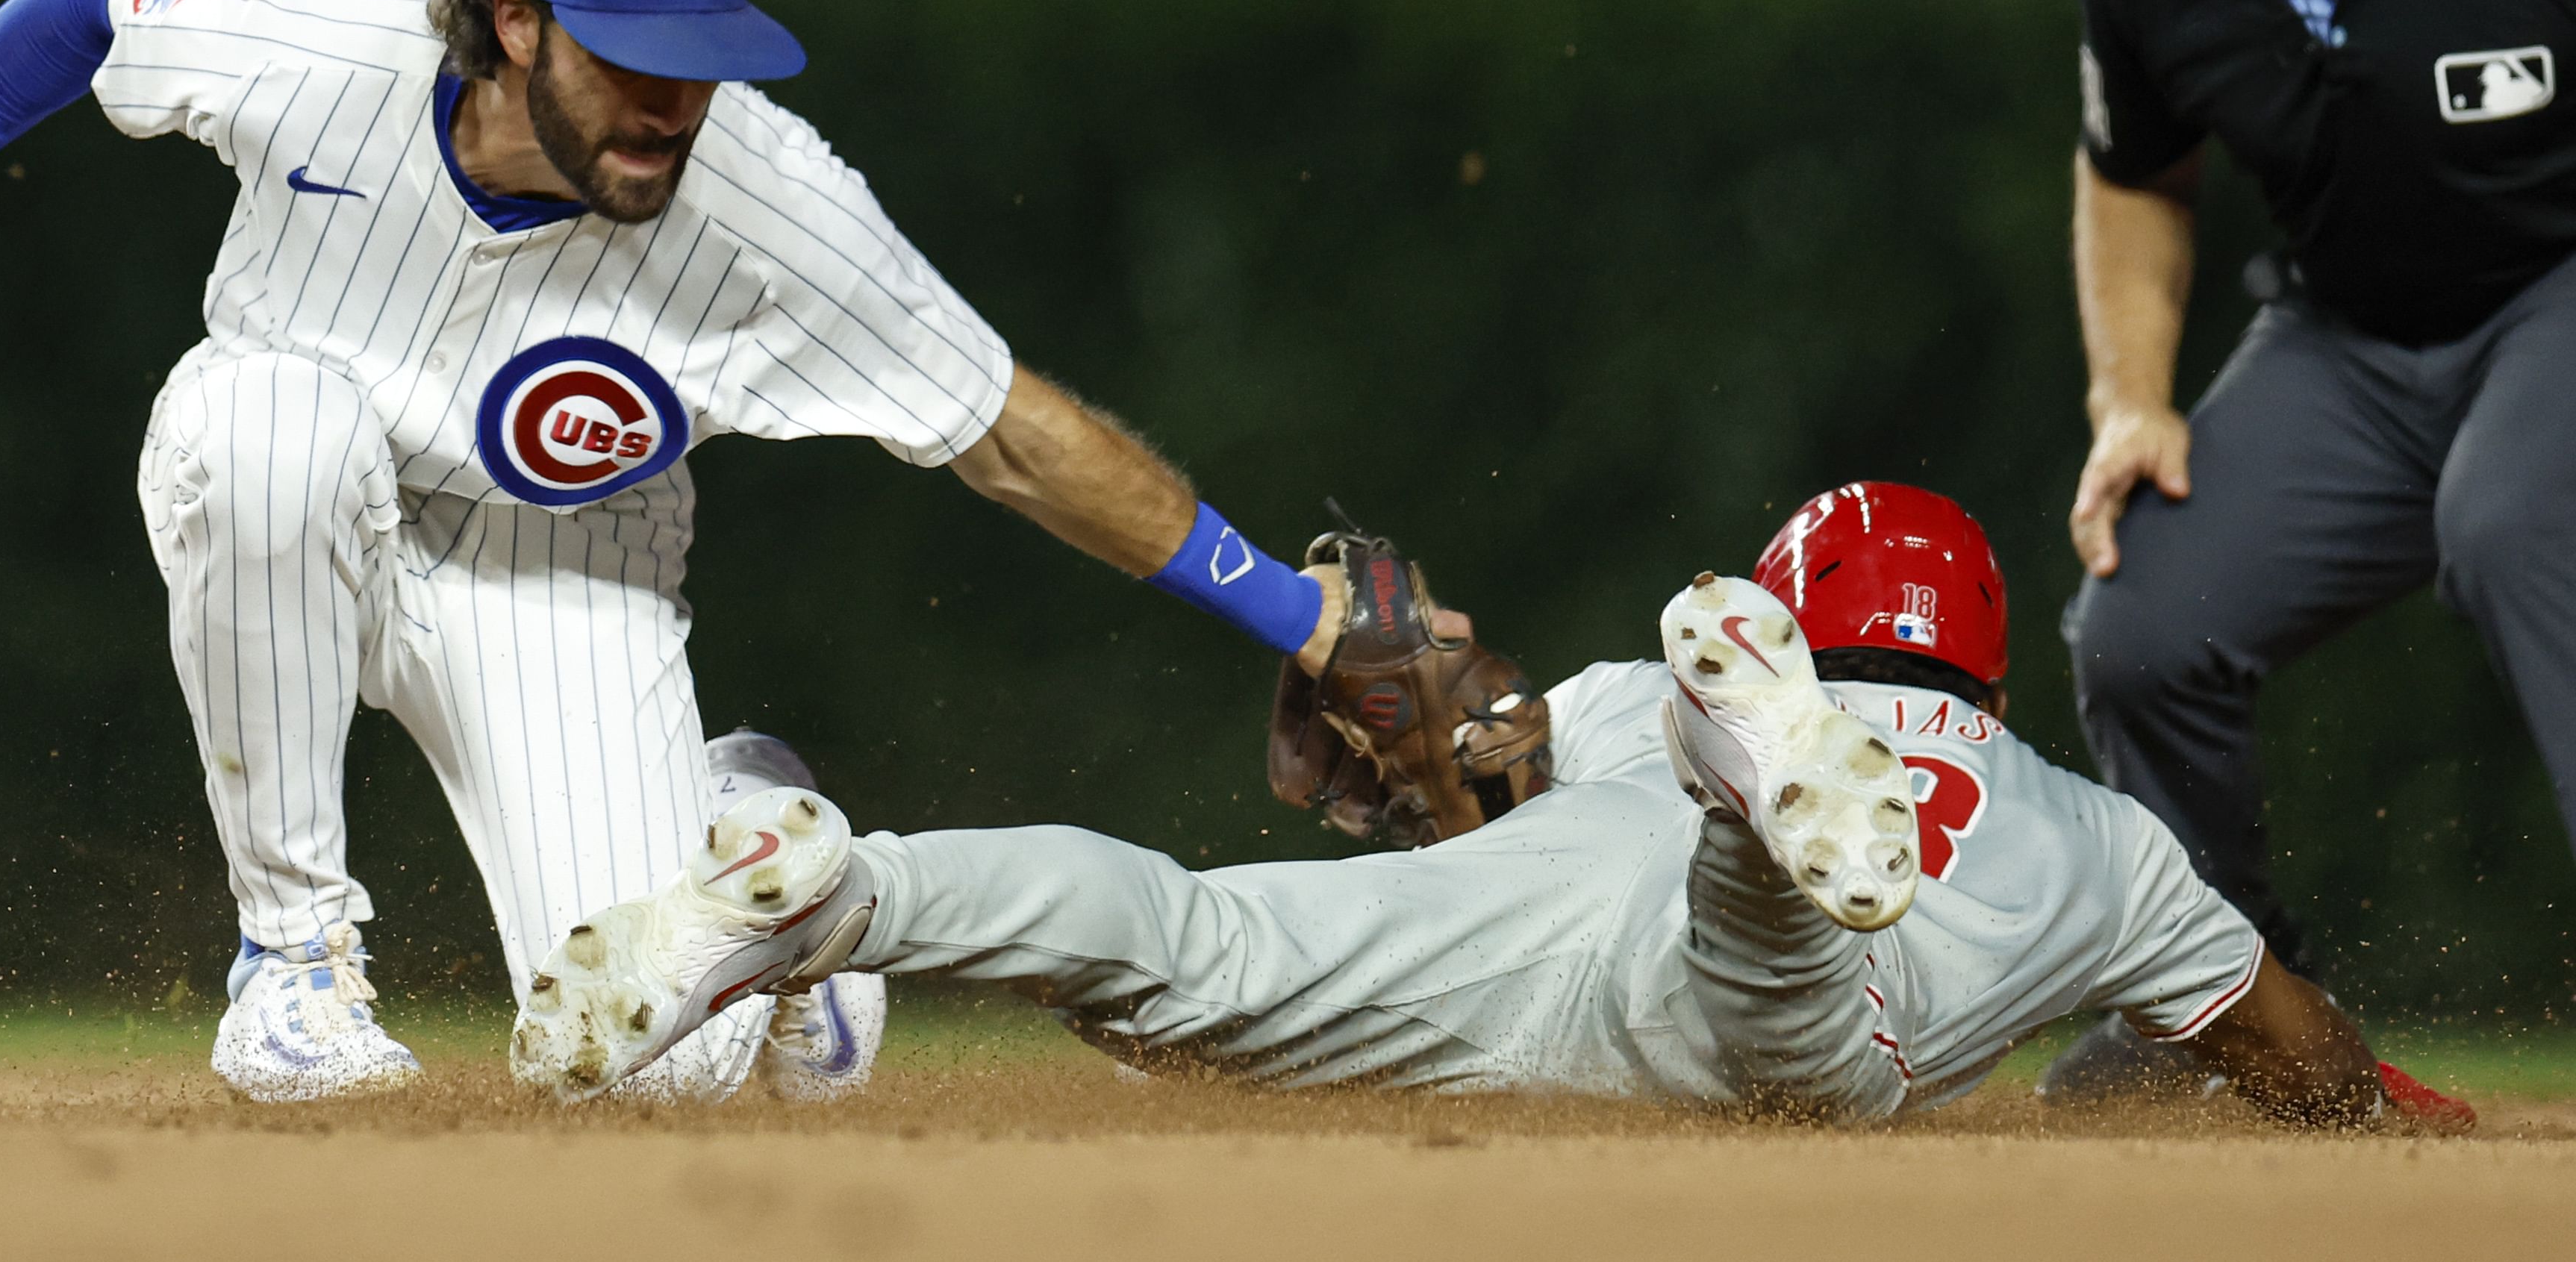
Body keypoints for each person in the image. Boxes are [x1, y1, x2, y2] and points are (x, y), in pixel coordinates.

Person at [0, 0, 1373, 1102]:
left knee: (666, 1082)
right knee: (261, 420)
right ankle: (293, 964)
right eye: (632, 52)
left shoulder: (771, 198)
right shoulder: (325, 39)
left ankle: (742, 827)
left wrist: (1294, 615)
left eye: (703, 56)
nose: (674, 101)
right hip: (301, 496)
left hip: (561, 577)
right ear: (513, 17)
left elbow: (1004, 426)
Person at [514, 482, 2473, 1129]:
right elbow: (2298, 1055)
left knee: (1190, 939)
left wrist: (1409, 727)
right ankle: (1761, 802)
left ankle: (832, 892)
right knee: (1784, 950)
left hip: (1557, 895)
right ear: (1979, 662)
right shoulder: (2105, 837)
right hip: (1791, 1012)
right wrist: (2404, 1117)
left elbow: (1490, 759)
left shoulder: (1625, 692)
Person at [2056, 0, 2576, 1090]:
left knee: (2509, 520)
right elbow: (2128, 173)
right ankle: (2225, 1023)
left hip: (2556, 292)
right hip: (2348, 339)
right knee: (2141, 616)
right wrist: (2129, 397)